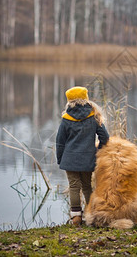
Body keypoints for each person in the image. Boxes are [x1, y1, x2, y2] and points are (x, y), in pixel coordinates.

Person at [56, 86, 109, 226]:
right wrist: (99, 152)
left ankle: (76, 218)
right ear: (86, 99)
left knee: (74, 187)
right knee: (86, 187)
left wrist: (60, 159)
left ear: (69, 101)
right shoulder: (93, 116)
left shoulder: (66, 119)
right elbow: (105, 137)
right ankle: (92, 215)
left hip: (69, 159)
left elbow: (60, 142)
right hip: (88, 159)